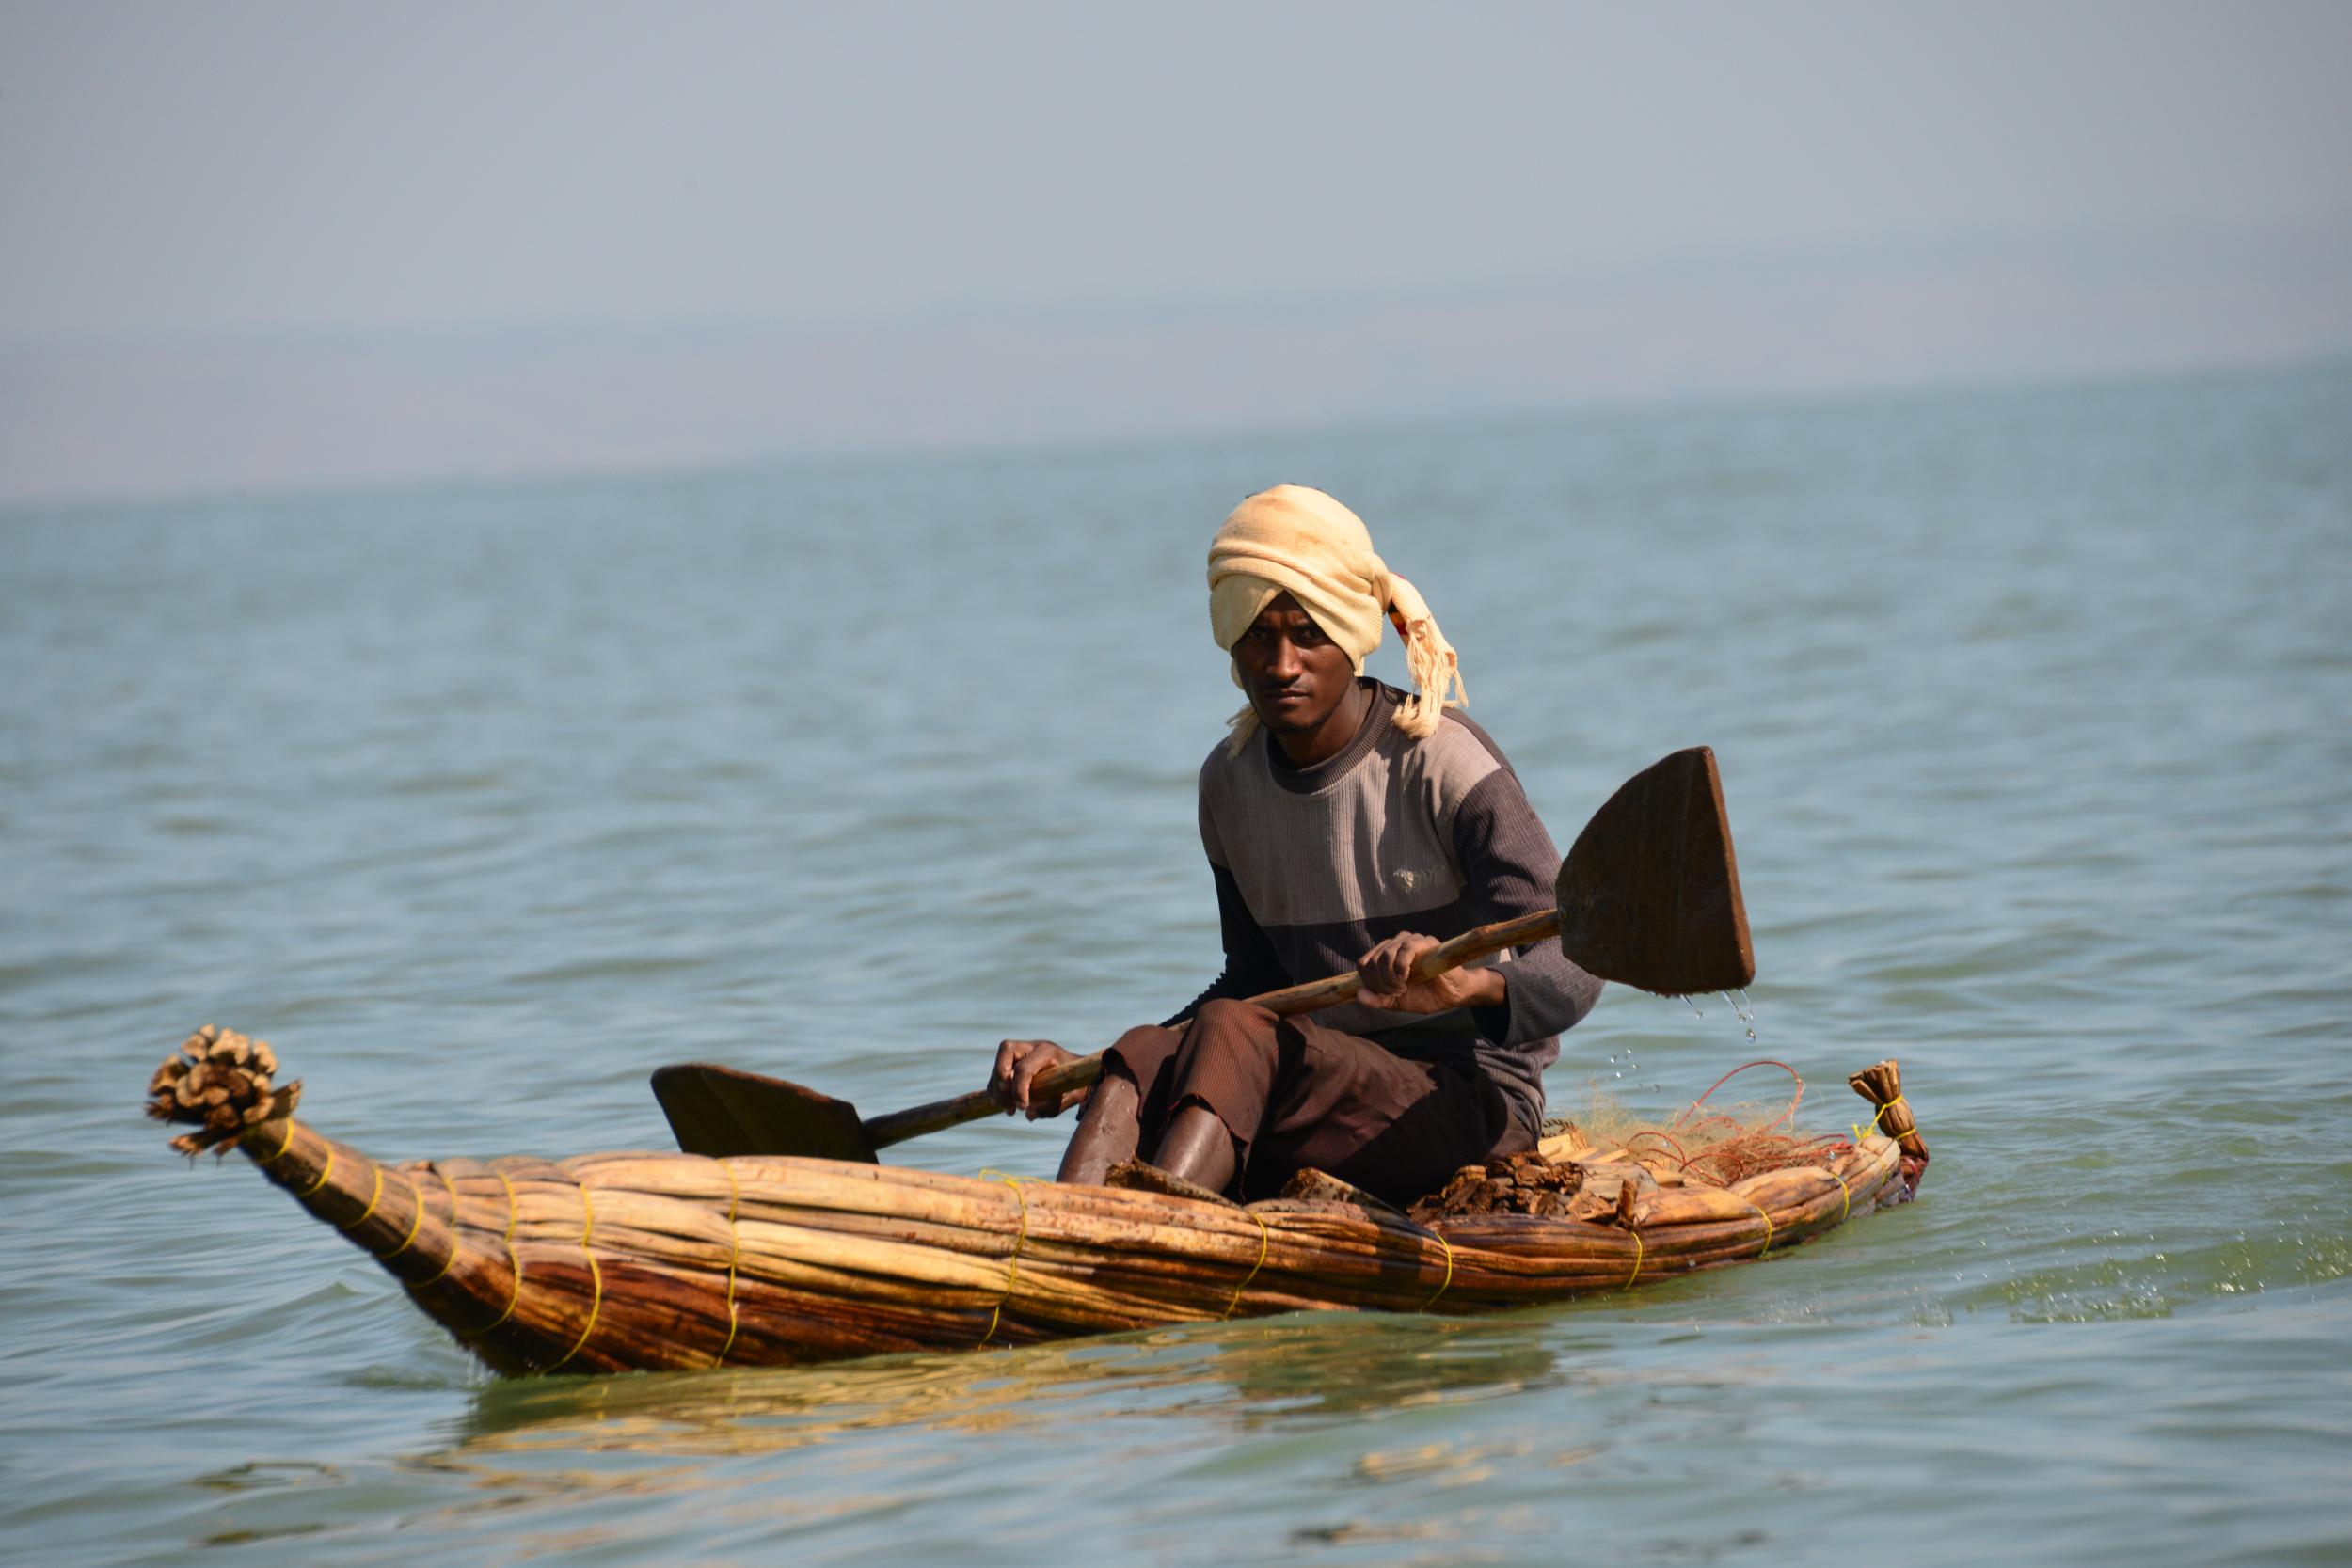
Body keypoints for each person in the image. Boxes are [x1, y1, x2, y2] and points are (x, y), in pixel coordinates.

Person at [987, 485, 1601, 1205]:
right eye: (1257, 634)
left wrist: (1472, 985)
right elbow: (1251, 984)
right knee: (1146, 1049)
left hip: (1470, 1103)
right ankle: (1072, 1232)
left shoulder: (1443, 761)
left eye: (1307, 634)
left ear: (1349, 633)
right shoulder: (1229, 782)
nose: (1281, 664)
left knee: (1224, 1032)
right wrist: (1097, 1065)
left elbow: (1577, 956)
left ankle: (1148, 1243)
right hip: (1312, 1089)